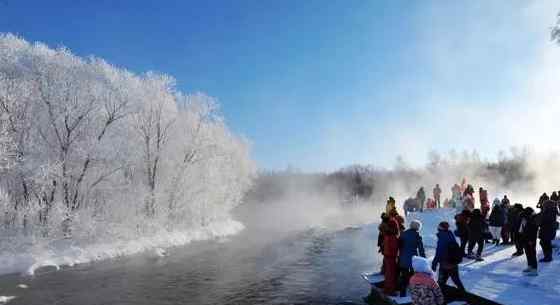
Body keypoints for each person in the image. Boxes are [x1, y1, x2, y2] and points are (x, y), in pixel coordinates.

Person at [432, 221, 466, 298]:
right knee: (456, 280)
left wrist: (434, 263)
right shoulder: (450, 235)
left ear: (440, 228)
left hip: (445, 263)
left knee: (441, 281)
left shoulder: (442, 237)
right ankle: (464, 294)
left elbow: (439, 252)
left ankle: (438, 296)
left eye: (439, 227)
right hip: (453, 262)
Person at [398, 220, 426, 297]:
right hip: (413, 260)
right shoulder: (417, 236)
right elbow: (421, 249)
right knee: (414, 276)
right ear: (418, 227)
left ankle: (402, 294)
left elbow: (399, 246)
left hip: (403, 258)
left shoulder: (403, 234)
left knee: (404, 276)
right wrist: (424, 260)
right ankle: (414, 293)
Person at [379, 213, 400, 295]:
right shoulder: (392, 237)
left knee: (388, 272)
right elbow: (394, 247)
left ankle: (387, 288)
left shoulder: (386, 235)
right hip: (391, 255)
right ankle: (389, 291)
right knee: (391, 272)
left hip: (388, 254)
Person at [519, 207, 538, 276]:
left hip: (531, 239)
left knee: (532, 253)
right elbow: (522, 228)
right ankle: (530, 266)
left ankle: (534, 269)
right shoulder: (525, 218)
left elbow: (533, 231)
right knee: (528, 253)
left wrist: (531, 240)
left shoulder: (533, 219)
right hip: (525, 238)